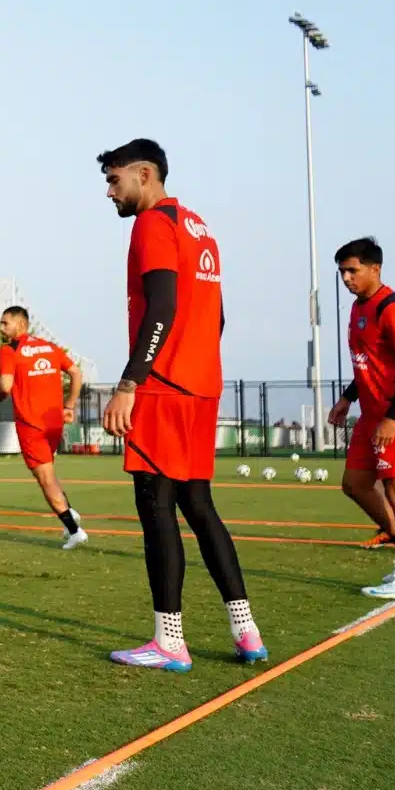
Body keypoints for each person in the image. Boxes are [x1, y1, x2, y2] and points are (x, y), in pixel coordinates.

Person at [96, 139, 266, 672]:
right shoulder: (198, 226)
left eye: (114, 179)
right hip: (200, 386)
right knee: (199, 506)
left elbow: (163, 307)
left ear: (145, 174)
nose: (109, 192)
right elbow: (215, 317)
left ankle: (169, 640)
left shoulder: (152, 224)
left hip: (164, 387)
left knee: (155, 506)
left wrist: (130, 382)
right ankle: (246, 632)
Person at [326, 238, 395, 599]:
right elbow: (369, 365)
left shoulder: (392, 307)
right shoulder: (358, 308)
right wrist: (346, 399)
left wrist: (393, 416)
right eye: (342, 271)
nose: (346, 278)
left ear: (375, 269)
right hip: (371, 415)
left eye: (352, 270)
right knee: (355, 484)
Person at [0, 307, 88, 549]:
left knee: (45, 479)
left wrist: (0, 395)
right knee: (49, 473)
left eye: (5, 323)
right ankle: (70, 512)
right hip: (54, 423)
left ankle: (74, 529)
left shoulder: (9, 350)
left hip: (31, 424)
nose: (1, 328)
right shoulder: (50, 347)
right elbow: (76, 373)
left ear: (20, 325)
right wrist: (69, 405)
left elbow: (6, 385)